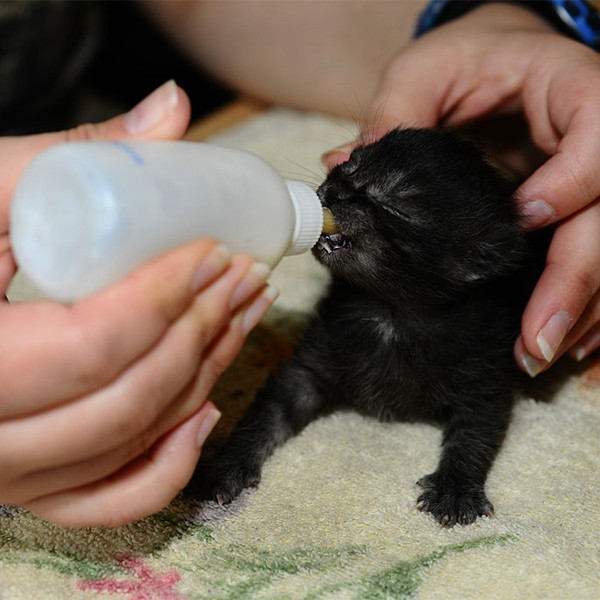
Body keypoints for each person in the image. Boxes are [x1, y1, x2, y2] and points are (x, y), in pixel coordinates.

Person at [3, 0, 600, 527]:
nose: (336, 193)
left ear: (472, 262)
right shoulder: (349, 318)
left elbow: (480, 406)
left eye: (390, 204)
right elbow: (302, 382)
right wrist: (238, 459)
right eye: (352, 167)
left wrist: (496, 14)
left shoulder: (473, 337)